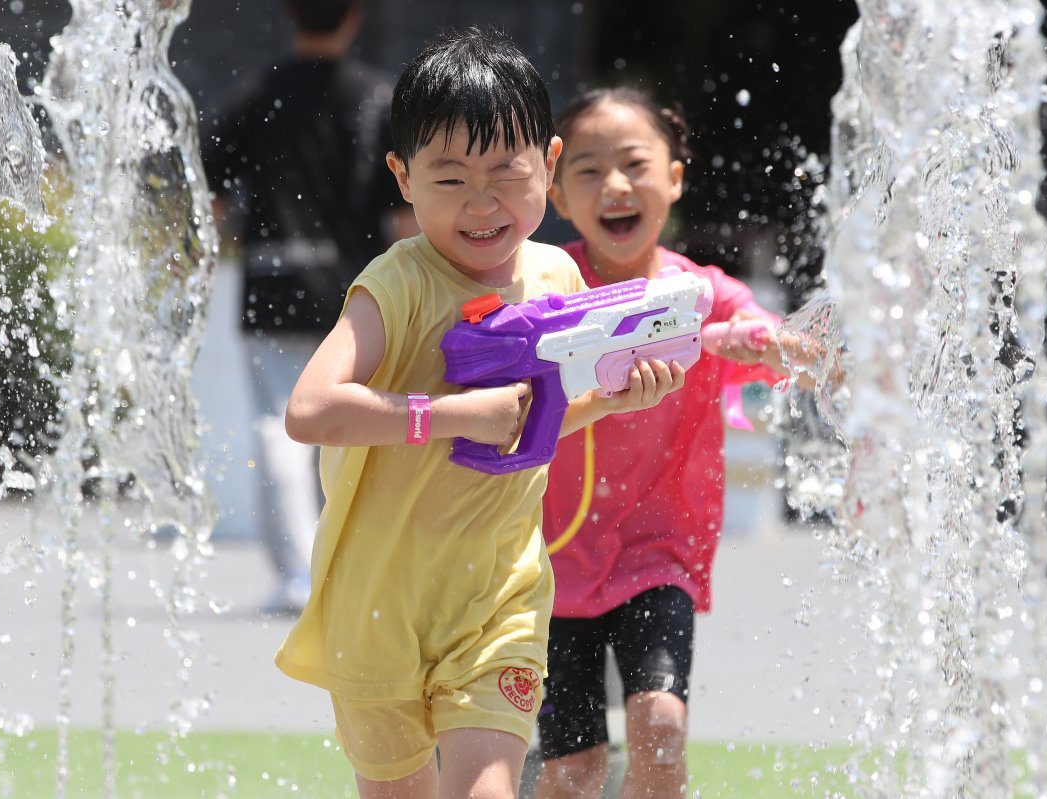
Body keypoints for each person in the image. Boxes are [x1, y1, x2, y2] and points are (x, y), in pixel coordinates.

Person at [274, 30, 686, 798]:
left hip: (497, 598)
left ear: (549, 164)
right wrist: (450, 415)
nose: (483, 204)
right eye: (451, 178)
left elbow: (530, 420)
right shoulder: (395, 285)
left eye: (506, 172)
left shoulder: (557, 276)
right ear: (402, 176)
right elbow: (310, 409)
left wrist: (608, 400)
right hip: (380, 606)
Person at [535, 87, 824, 799]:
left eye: (635, 163)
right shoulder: (543, 287)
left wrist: (786, 346)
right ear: (556, 194)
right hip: (545, 562)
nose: (615, 185)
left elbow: (772, 339)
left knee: (660, 726)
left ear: (674, 178)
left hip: (657, 555)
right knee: (573, 770)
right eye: (589, 170)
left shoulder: (703, 295)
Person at [201, 0, 416, 615]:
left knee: (280, 427)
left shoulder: (257, 94)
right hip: (357, 290)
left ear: (289, 16)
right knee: (362, 424)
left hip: (271, 279)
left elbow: (208, 188)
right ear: (354, 17)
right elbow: (401, 213)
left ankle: (298, 573)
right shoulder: (376, 97)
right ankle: (357, 564)